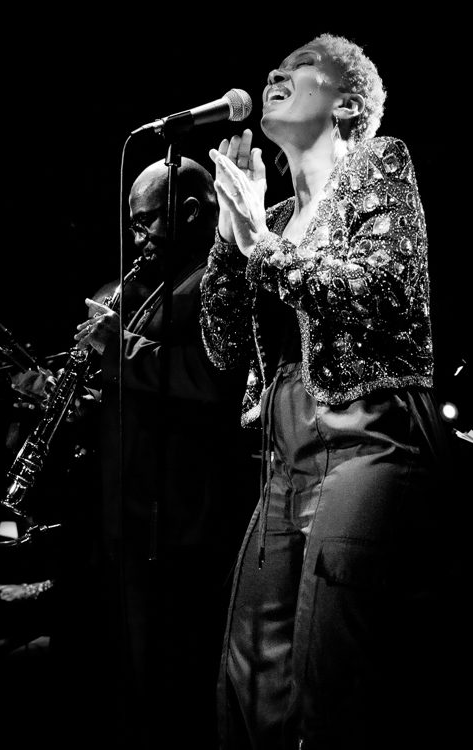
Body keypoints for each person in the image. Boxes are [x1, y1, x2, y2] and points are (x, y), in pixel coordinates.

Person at [200, 34, 458, 750]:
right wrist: (233, 239)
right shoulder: (273, 214)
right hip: (285, 465)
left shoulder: (382, 162)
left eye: (299, 69)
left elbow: (387, 289)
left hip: (367, 448)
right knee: (247, 678)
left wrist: (264, 251)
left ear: (346, 106)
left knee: (330, 679)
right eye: (275, 68)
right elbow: (223, 350)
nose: (275, 73)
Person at [73, 157, 258, 750]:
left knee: (173, 687)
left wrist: (115, 350)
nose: (137, 236)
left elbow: (210, 381)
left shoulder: (211, 279)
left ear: (190, 213)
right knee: (133, 680)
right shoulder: (152, 283)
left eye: (146, 221)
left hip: (179, 528)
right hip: (129, 519)